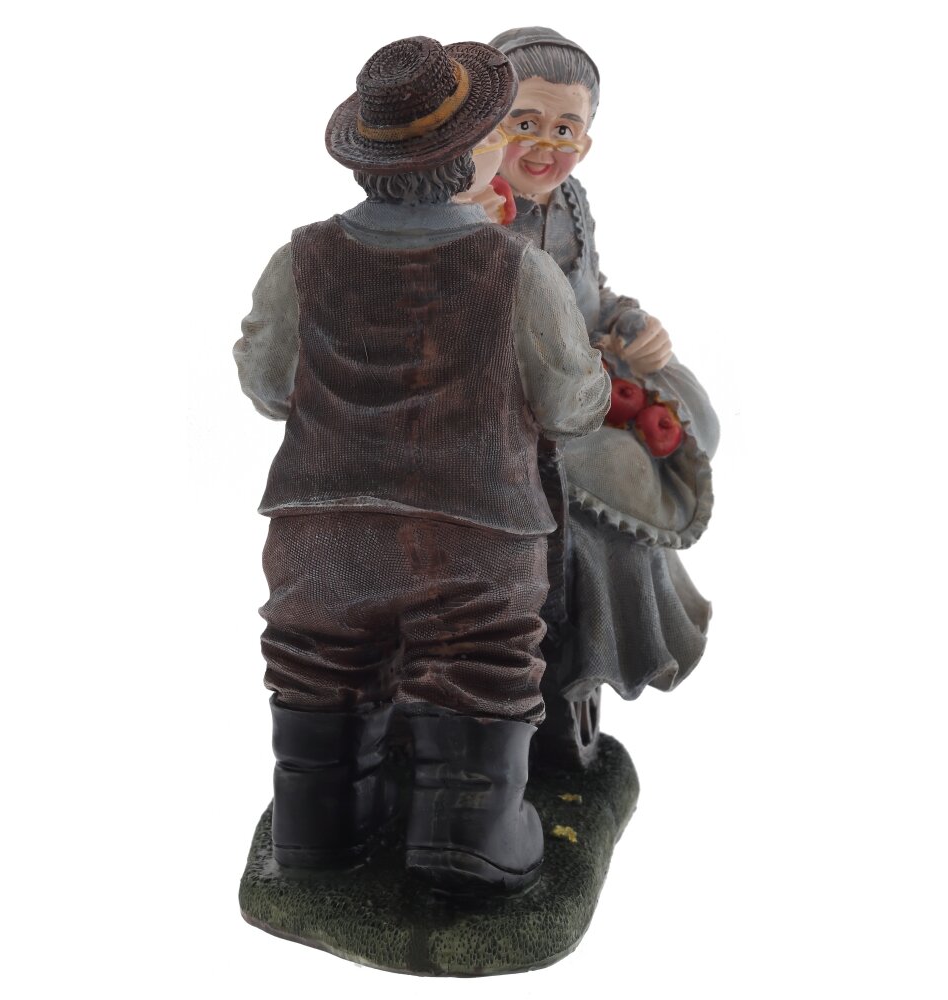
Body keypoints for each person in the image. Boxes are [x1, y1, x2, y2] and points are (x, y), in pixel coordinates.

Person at [234, 36, 609, 891]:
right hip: (473, 536)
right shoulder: (518, 272)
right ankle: (470, 839)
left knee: (317, 663)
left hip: (321, 532)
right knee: (477, 664)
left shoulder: (300, 258)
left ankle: (317, 830)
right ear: (465, 159)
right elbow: (571, 406)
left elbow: (265, 383)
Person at [487, 27, 721, 765]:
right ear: (485, 125)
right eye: (525, 123)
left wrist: (628, 324)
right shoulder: (471, 211)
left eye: (565, 130)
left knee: (693, 412)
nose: (544, 146)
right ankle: (585, 658)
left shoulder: (570, 201)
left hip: (587, 375)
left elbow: (591, 291)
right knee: (618, 468)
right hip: (510, 405)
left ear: (585, 141)